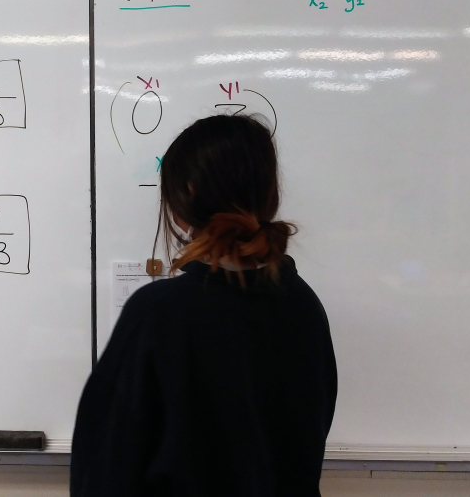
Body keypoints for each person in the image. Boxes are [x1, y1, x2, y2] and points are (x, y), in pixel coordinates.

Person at [71, 114, 337, 496]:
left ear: (189, 193)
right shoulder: (304, 306)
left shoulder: (158, 314)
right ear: (268, 194)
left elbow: (103, 467)